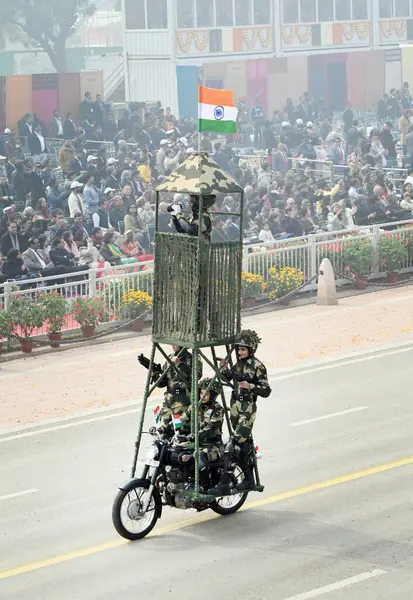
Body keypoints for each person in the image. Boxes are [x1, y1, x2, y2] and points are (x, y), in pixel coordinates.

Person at [209, 329, 271, 494]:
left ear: (251, 349)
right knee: (242, 447)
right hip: (235, 406)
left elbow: (266, 390)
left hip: (247, 410)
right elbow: (227, 379)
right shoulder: (239, 364)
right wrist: (224, 369)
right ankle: (248, 479)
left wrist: (250, 386)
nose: (240, 352)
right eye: (239, 349)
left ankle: (223, 483)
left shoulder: (258, 366)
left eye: (243, 349)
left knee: (232, 444)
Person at [138, 345, 203, 433]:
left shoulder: (192, 358)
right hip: (168, 401)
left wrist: (180, 364)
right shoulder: (170, 358)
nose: (173, 345)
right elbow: (163, 383)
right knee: (165, 430)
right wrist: (152, 368)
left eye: (175, 343)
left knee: (180, 429)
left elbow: (196, 376)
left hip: (183, 401)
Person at [180, 378, 225, 489]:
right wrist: (165, 428)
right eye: (201, 392)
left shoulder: (217, 409)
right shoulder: (195, 406)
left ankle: (204, 488)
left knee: (199, 457)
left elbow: (210, 429)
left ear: (213, 395)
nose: (203, 396)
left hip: (213, 446)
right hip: (196, 442)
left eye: (207, 393)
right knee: (175, 451)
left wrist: (196, 436)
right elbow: (182, 420)